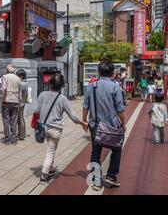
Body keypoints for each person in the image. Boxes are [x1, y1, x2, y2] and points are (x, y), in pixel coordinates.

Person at [35, 73, 88, 183]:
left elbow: (37, 111)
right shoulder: (63, 98)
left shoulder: (42, 94)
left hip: (43, 127)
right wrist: (82, 123)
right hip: (55, 129)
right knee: (50, 152)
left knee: (50, 149)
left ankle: (50, 169)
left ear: (50, 84)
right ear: (62, 86)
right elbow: (73, 116)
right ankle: (44, 176)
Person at [83, 61, 126, 191]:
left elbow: (86, 106)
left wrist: (84, 120)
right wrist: (123, 124)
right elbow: (120, 109)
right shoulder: (115, 87)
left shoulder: (92, 86)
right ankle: (111, 177)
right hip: (112, 125)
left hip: (95, 125)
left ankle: (96, 181)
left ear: (99, 72)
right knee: (116, 149)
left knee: (95, 152)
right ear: (112, 73)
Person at [0, 65, 24, 145]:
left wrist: (2, 100)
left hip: (7, 100)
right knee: (14, 120)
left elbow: (3, 89)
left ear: (7, 70)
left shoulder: (4, 77)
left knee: (6, 120)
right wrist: (19, 101)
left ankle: (7, 139)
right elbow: (20, 92)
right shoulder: (18, 79)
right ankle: (13, 140)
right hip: (15, 101)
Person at [15, 69, 29, 141]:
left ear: (21, 76)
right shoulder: (25, 82)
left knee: (20, 119)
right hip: (22, 103)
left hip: (20, 103)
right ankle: (22, 133)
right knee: (21, 118)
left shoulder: (22, 84)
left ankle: (21, 135)